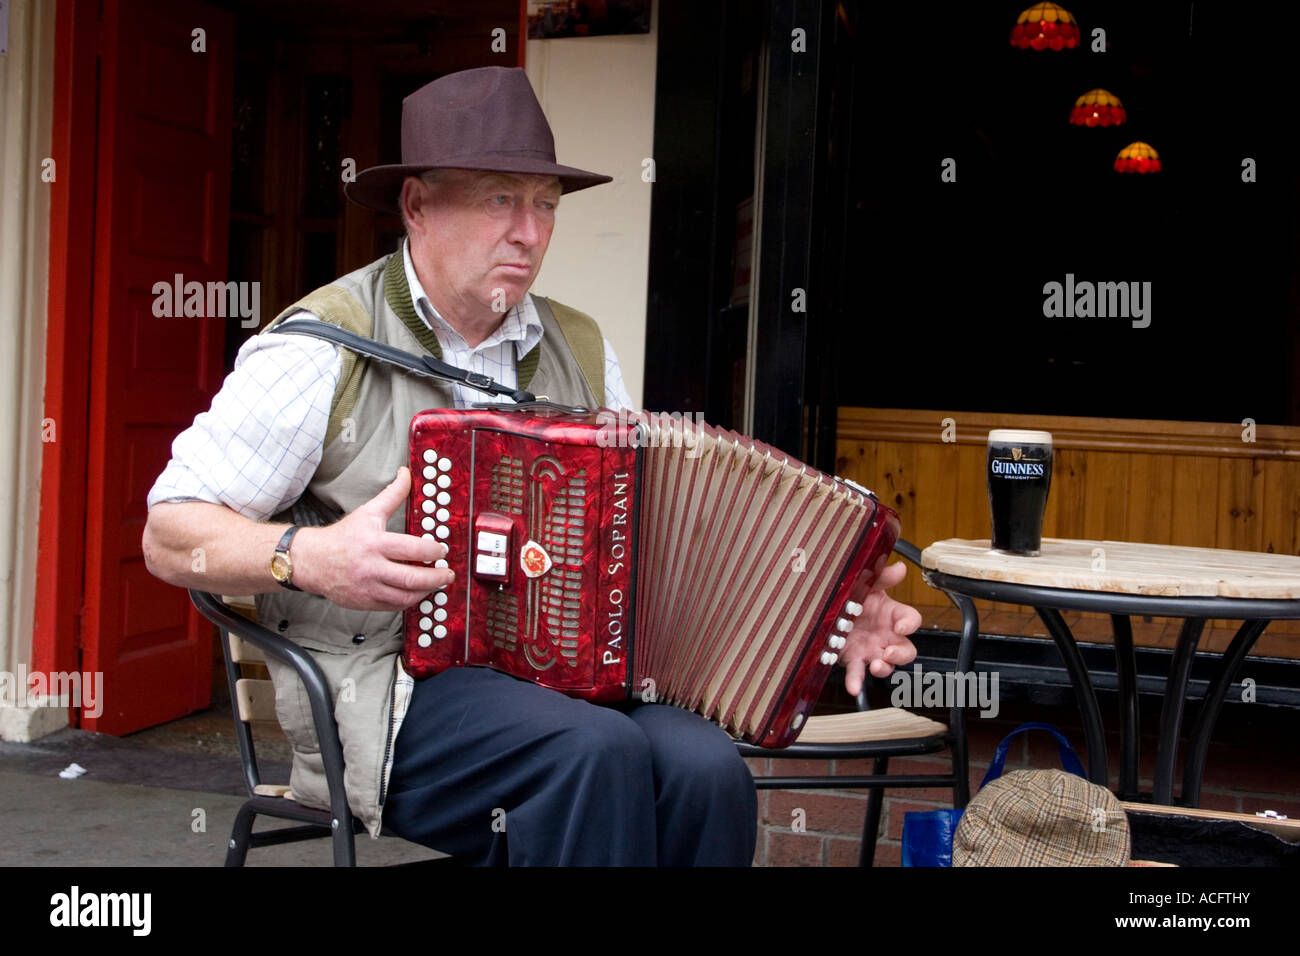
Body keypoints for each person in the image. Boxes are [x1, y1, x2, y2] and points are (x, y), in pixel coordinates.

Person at [142, 66, 922, 866]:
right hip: (388, 694)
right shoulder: (320, 349)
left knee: (704, 766)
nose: (529, 232)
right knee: (592, 755)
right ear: (416, 205)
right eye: (499, 200)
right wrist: (308, 556)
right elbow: (169, 533)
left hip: (569, 683)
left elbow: (667, 536)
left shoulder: (578, 347)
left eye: (544, 205)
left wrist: (818, 615)